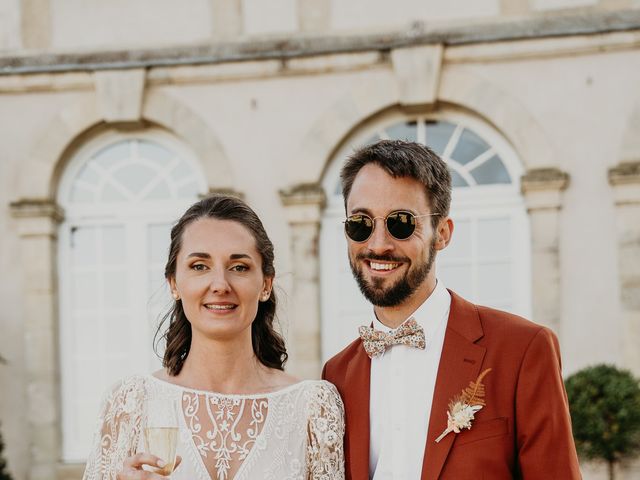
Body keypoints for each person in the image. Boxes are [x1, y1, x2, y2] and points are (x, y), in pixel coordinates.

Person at [322, 140, 581, 479]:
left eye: (401, 223)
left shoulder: (523, 350)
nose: (378, 244)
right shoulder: (336, 376)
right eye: (360, 223)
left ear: (442, 233)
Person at [83, 195, 345, 480]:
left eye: (239, 267)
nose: (220, 285)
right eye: (199, 266)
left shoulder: (314, 407)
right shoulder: (130, 404)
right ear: (174, 283)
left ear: (266, 285)